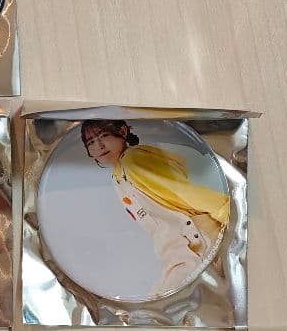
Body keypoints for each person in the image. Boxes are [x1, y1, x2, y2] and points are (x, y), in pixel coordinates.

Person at [80, 120, 230, 296]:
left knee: (164, 302)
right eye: (91, 142)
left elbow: (186, 193)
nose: (99, 146)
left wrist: (233, 218)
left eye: (104, 136)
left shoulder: (133, 161)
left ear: (123, 131)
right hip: (177, 253)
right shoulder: (118, 177)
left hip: (196, 244)